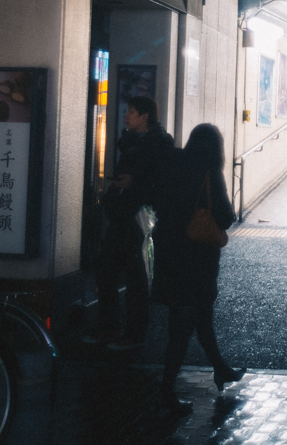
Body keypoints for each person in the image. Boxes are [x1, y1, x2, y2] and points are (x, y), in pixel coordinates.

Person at [151, 123, 243, 414]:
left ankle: (220, 368)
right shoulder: (209, 171)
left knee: (200, 315)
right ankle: (165, 391)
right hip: (197, 258)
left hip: (169, 253)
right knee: (182, 326)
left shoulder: (172, 165)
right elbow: (226, 217)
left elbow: (156, 201)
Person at [84, 96, 173, 350]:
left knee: (136, 278)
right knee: (106, 270)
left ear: (145, 116)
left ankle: (134, 333)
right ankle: (110, 326)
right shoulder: (130, 139)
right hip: (121, 213)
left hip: (140, 216)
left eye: (131, 112)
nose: (126, 116)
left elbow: (160, 181)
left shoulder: (160, 142)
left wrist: (134, 182)